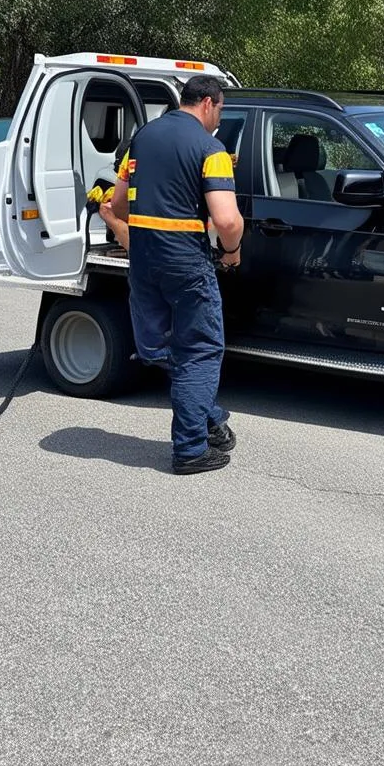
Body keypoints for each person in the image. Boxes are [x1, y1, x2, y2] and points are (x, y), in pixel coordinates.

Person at [107, 74, 244, 474]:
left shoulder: (142, 138)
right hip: (186, 263)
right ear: (208, 104)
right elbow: (227, 220)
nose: (219, 119)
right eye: (220, 110)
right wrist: (232, 252)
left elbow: (119, 206)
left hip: (144, 260)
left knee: (158, 346)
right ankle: (190, 449)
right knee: (200, 350)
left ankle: (206, 416)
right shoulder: (210, 147)